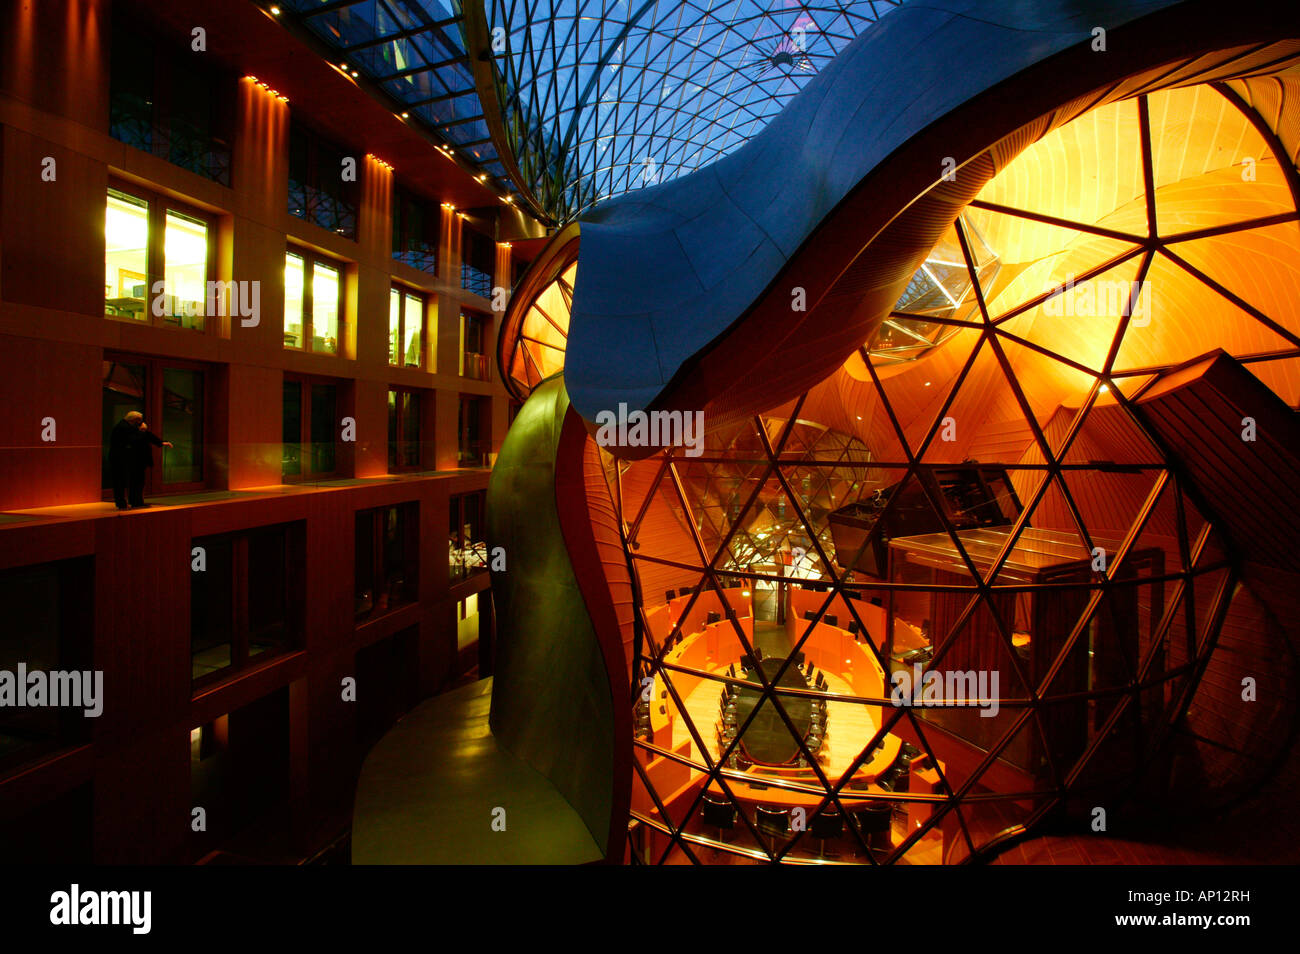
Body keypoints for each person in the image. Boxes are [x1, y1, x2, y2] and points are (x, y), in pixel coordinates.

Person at [107, 411, 172, 510]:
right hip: (122, 459)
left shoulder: (126, 427)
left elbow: (144, 436)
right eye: (139, 420)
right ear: (134, 420)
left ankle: (131, 502)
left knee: (129, 481)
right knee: (123, 481)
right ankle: (126, 503)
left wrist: (159, 441)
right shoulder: (124, 428)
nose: (140, 423)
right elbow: (138, 438)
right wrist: (158, 441)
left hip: (125, 459)